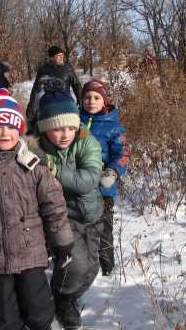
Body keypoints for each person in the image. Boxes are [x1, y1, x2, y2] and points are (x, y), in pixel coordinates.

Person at [0, 89, 74, 330]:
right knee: (6, 319)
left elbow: (54, 206)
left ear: (19, 129)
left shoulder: (33, 165)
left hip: (31, 254)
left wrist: (62, 243)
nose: (5, 133)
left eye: (11, 127)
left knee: (39, 311)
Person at [36, 87, 104, 330]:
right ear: (45, 128)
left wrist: (53, 168)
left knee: (92, 270)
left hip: (93, 216)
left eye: (70, 127)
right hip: (63, 218)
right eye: (57, 128)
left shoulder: (87, 141)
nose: (66, 134)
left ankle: (67, 296)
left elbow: (87, 181)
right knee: (76, 266)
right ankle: (61, 300)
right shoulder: (39, 151)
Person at [79, 79, 130, 277]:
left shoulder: (114, 127)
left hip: (103, 187)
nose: (91, 101)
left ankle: (107, 268)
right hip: (79, 184)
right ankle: (83, 264)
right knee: (80, 226)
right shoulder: (75, 122)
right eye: (87, 97)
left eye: (96, 97)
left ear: (104, 101)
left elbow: (122, 154)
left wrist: (113, 171)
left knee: (104, 228)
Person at [26, 46, 83, 134]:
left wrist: (80, 101)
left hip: (66, 103)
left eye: (62, 55)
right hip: (48, 105)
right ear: (51, 58)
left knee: (71, 127)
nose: (62, 57)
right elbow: (36, 89)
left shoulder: (67, 68)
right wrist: (31, 107)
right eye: (59, 55)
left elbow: (76, 85)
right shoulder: (43, 69)